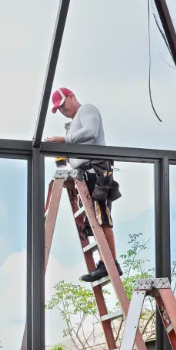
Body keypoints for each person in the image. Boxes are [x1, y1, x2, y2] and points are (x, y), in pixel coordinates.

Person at [46, 87, 122, 282]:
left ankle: (111, 264)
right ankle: (105, 261)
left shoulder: (87, 110)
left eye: (63, 105)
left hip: (96, 171)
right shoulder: (71, 125)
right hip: (83, 174)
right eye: (58, 109)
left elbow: (90, 132)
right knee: (94, 221)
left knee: (101, 217)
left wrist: (64, 140)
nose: (62, 110)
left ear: (72, 96)